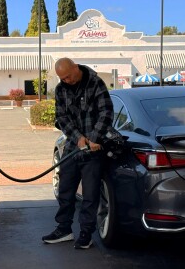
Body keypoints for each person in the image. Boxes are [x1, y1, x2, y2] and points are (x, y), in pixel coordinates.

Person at [42, 58, 113, 249]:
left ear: (76, 68)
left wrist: (94, 138)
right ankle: (64, 229)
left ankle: (85, 234)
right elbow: (61, 118)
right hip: (73, 147)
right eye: (62, 78)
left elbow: (106, 112)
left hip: (94, 148)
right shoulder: (60, 89)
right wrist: (78, 138)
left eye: (68, 76)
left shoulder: (95, 83)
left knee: (90, 194)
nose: (66, 81)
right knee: (65, 189)